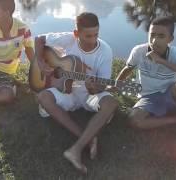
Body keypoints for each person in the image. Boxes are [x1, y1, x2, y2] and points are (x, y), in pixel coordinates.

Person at [115, 16, 176, 173]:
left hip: (171, 94)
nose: (155, 41)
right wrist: (116, 85)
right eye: (152, 35)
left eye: (161, 36)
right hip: (148, 97)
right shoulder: (138, 51)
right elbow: (127, 69)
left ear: (170, 39)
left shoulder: (175, 53)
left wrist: (162, 61)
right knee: (134, 120)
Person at [35, 12, 118, 174]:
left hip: (89, 94)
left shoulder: (105, 51)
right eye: (88, 36)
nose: (93, 40)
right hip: (68, 91)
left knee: (111, 103)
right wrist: (40, 61)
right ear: (76, 33)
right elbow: (39, 39)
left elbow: (102, 86)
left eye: (96, 34)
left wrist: (94, 88)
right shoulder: (68, 39)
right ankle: (87, 139)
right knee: (43, 97)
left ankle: (76, 149)